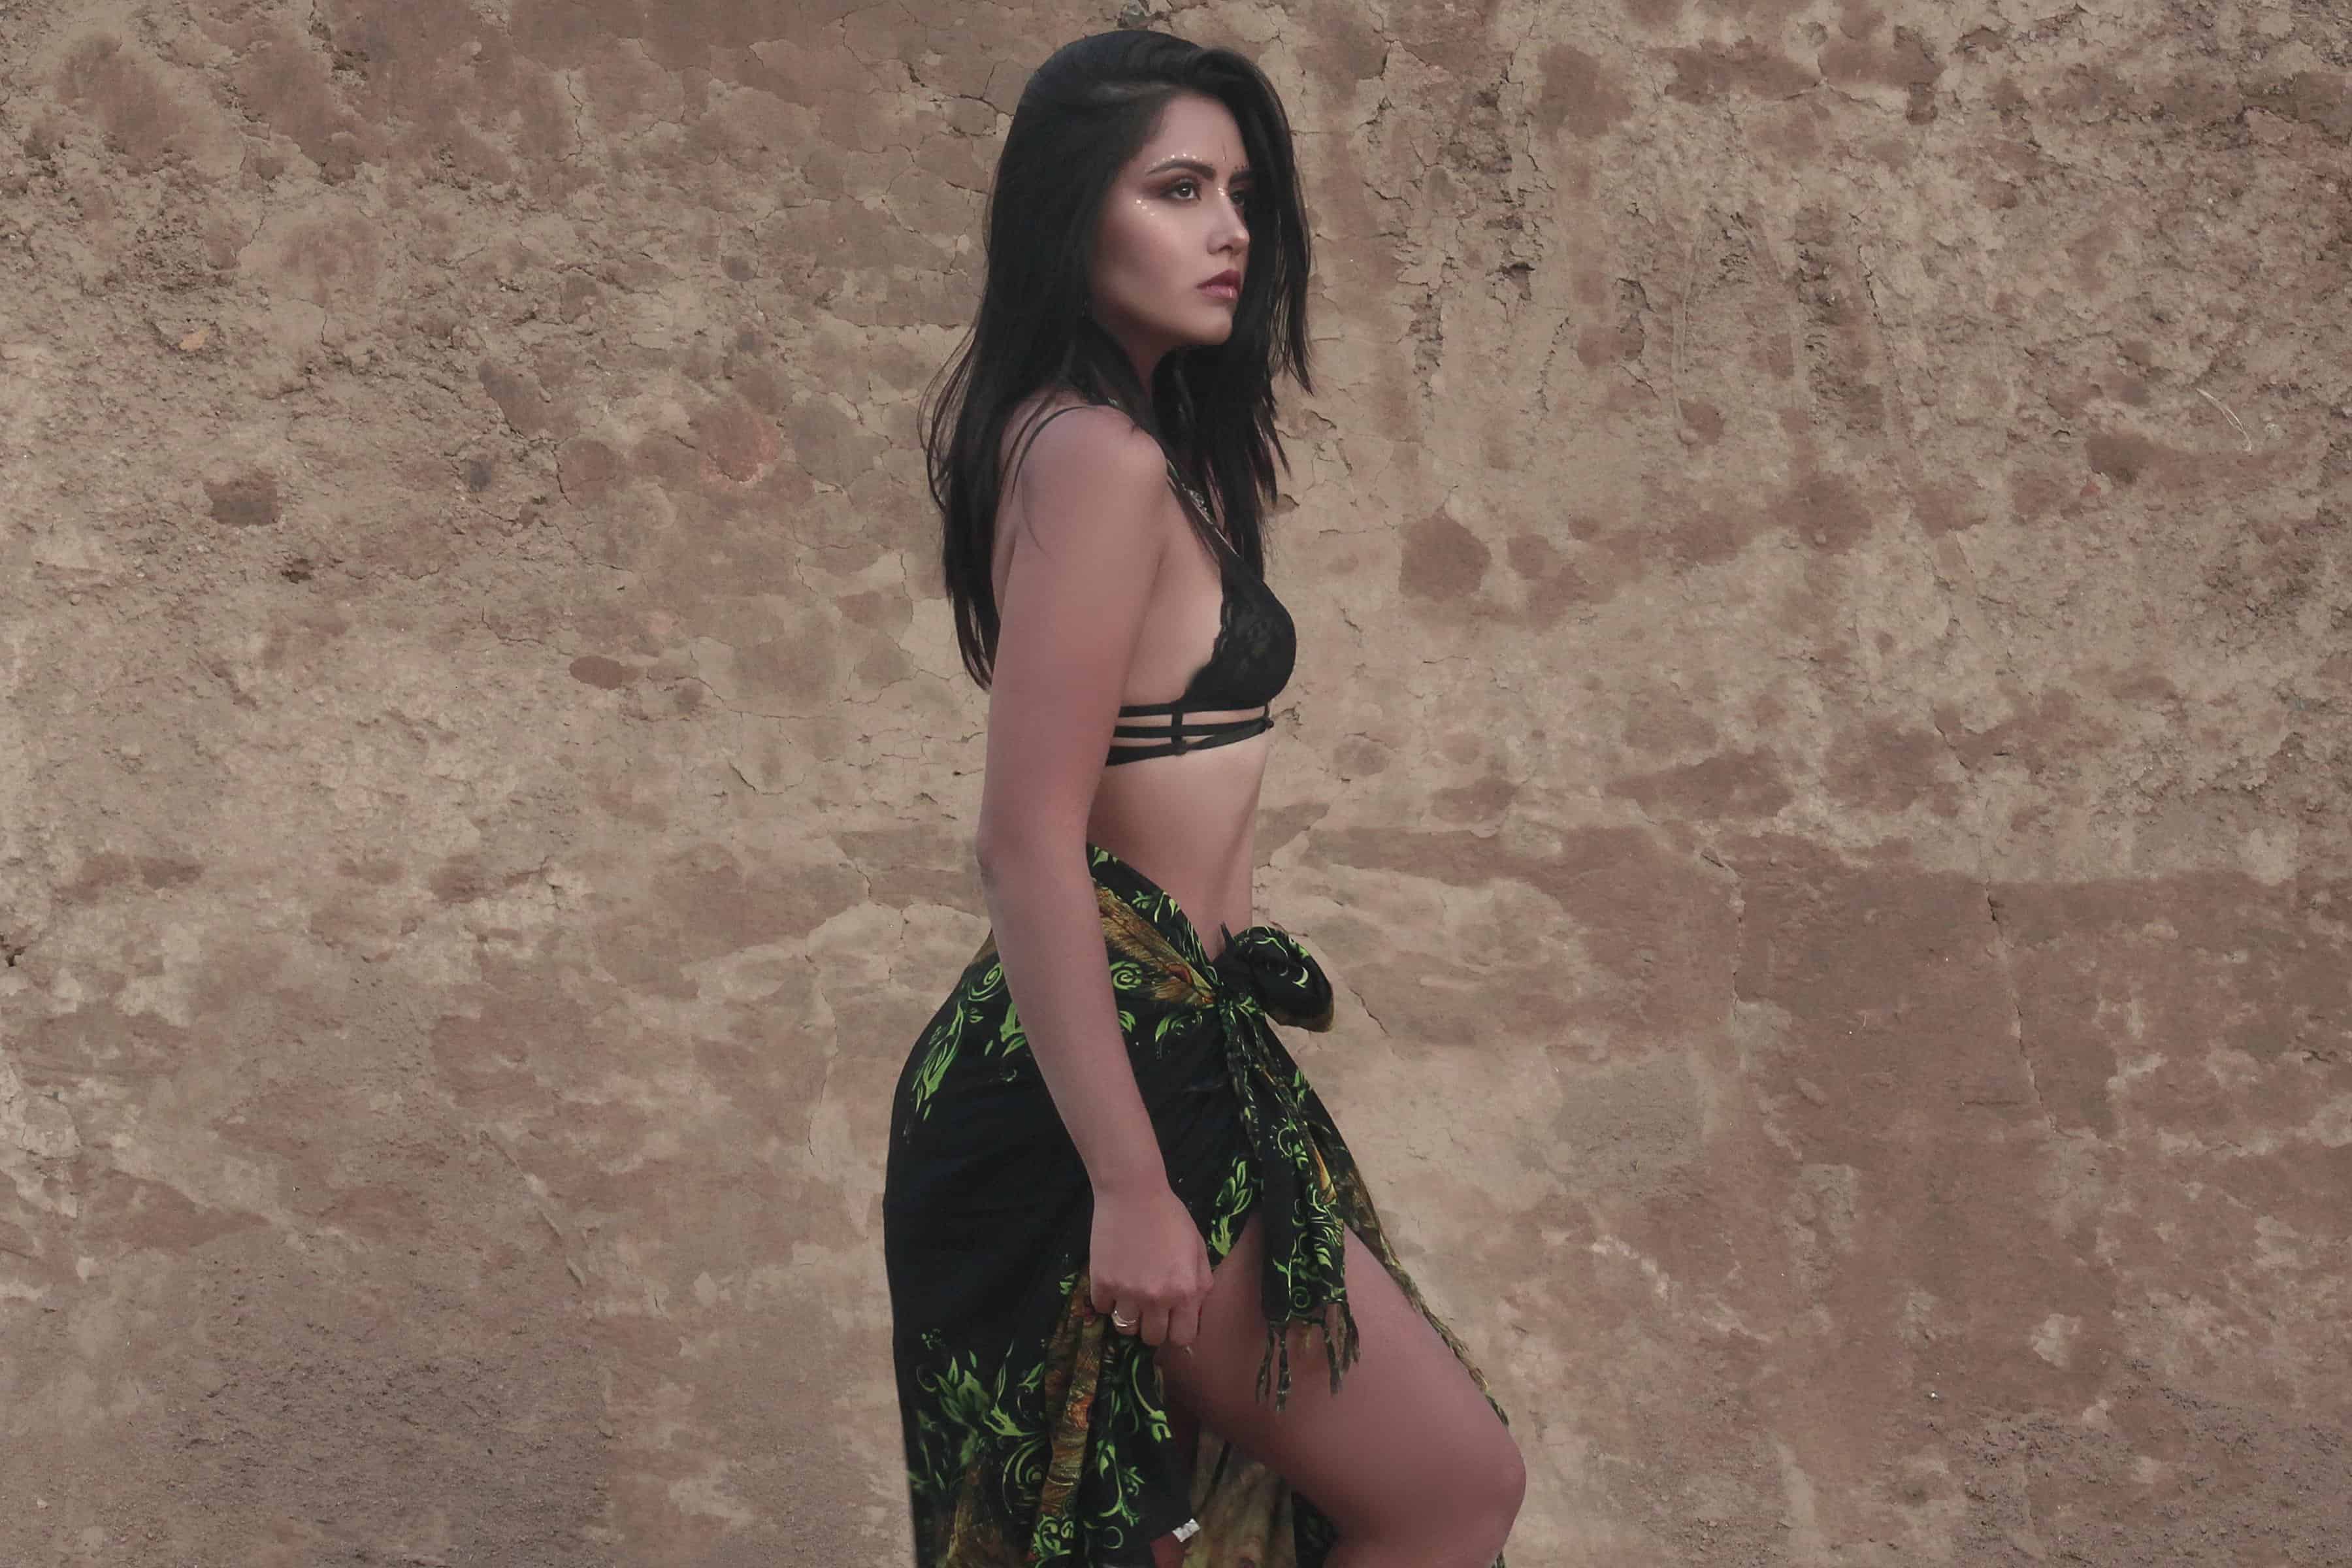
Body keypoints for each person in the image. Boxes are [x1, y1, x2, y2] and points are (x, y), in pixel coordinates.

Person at [882, 29, 1526, 1568]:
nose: (1229, 229)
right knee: (1452, 1489)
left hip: (1176, 1051)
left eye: (1241, 193)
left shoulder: (1149, 451)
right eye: (1177, 190)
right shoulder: (1094, 459)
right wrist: (1127, 1183)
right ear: (1072, 213)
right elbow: (1022, 841)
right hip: (1099, 1088)